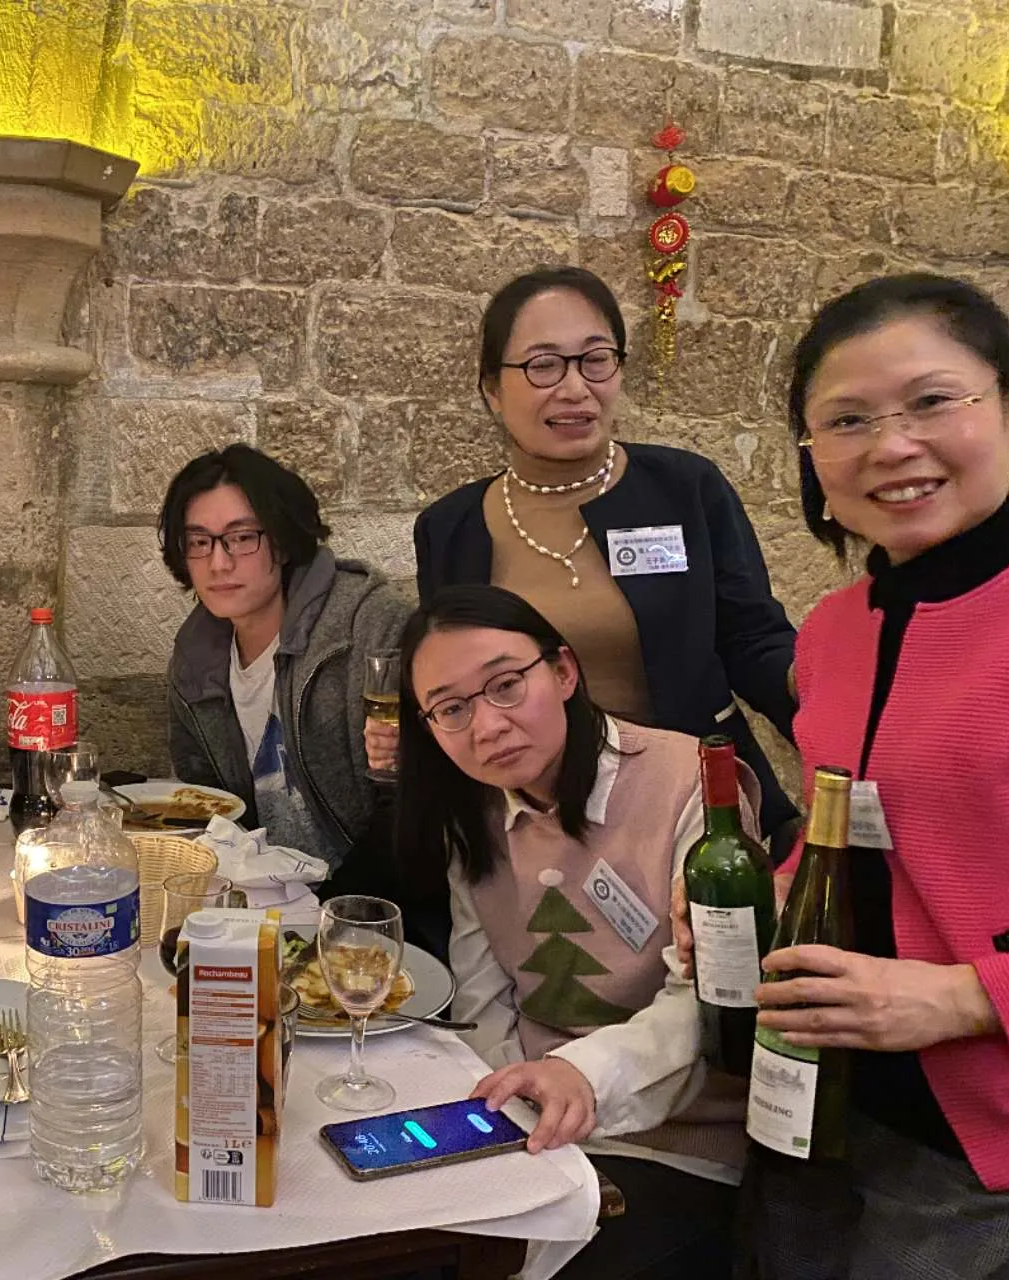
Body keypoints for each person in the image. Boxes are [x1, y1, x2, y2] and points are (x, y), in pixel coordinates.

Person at [723, 274, 1009, 1276]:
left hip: (1004, 1166)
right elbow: (860, 839)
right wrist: (763, 900)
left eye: (930, 401)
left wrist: (967, 998)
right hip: (817, 1114)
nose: (891, 445)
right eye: (847, 419)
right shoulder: (835, 632)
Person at [398, 584, 755, 1280]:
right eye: (452, 709)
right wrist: (505, 1109)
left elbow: (706, 997)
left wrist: (578, 1075)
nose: (487, 726)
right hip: (532, 1129)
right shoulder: (469, 813)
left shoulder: (688, 783)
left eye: (506, 685)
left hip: (678, 1139)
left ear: (563, 671)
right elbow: (483, 996)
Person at [413, 266, 799, 844]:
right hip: (537, 818)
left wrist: (827, 692)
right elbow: (450, 676)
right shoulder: (450, 528)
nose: (575, 389)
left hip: (697, 801)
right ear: (492, 388)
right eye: (544, 365)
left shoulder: (686, 487)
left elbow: (751, 638)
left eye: (596, 360)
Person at [158, 444, 447, 957]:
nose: (219, 562)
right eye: (199, 542)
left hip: (376, 916)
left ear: (285, 540)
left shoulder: (368, 628)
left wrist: (329, 917)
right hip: (262, 906)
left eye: (242, 538)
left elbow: (416, 806)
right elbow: (206, 802)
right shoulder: (197, 655)